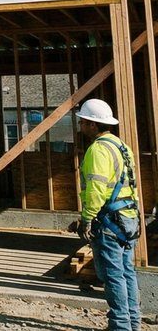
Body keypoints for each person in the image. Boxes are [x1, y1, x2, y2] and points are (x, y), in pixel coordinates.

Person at [73, 99, 141, 331]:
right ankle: (133, 322)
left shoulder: (98, 149)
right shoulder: (121, 146)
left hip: (110, 221)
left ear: (93, 124)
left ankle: (120, 326)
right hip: (129, 218)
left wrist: (87, 218)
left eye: (83, 121)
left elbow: (96, 190)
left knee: (112, 276)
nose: (80, 125)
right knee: (126, 273)